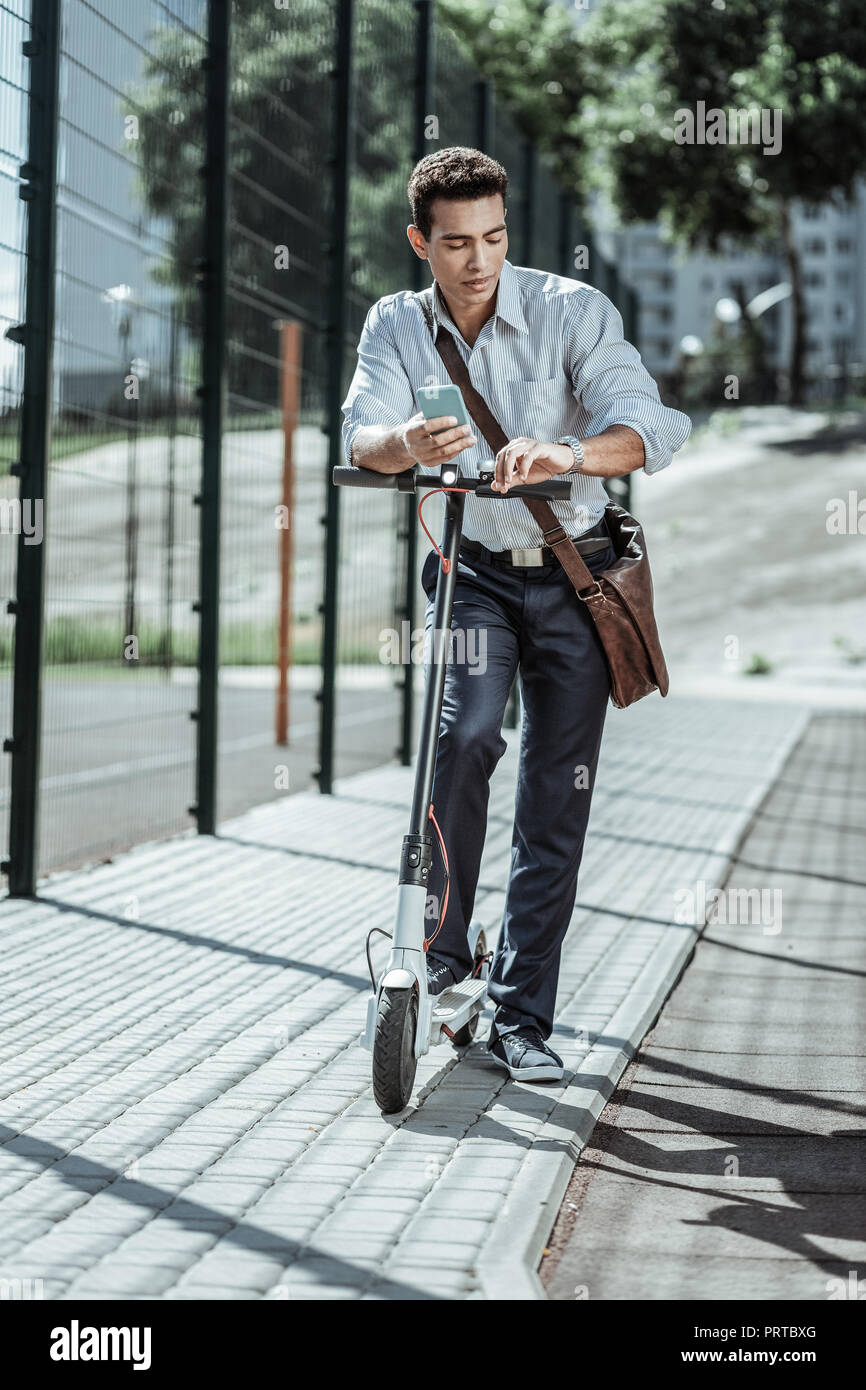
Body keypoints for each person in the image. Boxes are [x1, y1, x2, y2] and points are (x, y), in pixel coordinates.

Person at [341, 146, 691, 1082]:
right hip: (473, 571)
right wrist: (404, 441)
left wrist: (567, 454)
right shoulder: (397, 324)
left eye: (494, 237)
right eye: (456, 243)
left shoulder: (572, 310)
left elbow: (653, 426)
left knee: (555, 798)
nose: (478, 260)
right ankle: (445, 962)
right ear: (421, 241)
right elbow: (360, 437)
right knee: (461, 741)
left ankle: (522, 1017)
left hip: (577, 576)